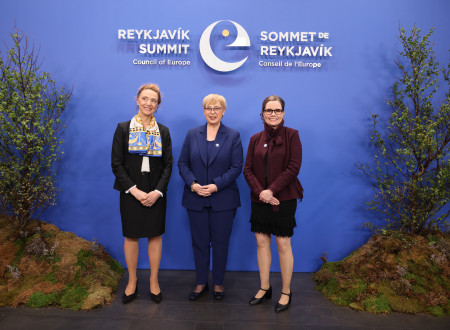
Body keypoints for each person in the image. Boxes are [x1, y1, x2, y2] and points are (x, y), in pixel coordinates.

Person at [111, 83, 173, 304]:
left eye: (153, 100)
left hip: (155, 189)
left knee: (155, 235)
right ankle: (132, 281)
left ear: (158, 105)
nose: (149, 103)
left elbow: (168, 165)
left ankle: (154, 282)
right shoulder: (123, 128)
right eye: (145, 99)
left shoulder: (163, 131)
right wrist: (135, 191)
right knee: (132, 235)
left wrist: (157, 191)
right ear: (137, 100)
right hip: (131, 189)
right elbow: (116, 164)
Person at [178, 94, 243, 301]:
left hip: (223, 199)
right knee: (199, 242)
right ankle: (200, 282)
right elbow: (182, 164)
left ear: (224, 111)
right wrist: (193, 185)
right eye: (208, 108)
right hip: (195, 197)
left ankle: (218, 283)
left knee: (221, 242)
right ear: (203, 110)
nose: (212, 112)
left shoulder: (233, 135)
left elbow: (236, 167)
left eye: (217, 108)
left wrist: (216, 185)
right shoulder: (191, 134)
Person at [243, 95, 303, 313]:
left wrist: (271, 190)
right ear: (263, 113)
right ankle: (264, 287)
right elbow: (247, 169)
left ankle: (286, 291)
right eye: (269, 110)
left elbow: (293, 167)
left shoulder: (292, 136)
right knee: (261, 242)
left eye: (277, 110)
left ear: (283, 113)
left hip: (284, 198)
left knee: (283, 244)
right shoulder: (254, 139)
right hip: (259, 199)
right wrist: (262, 193)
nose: (273, 114)